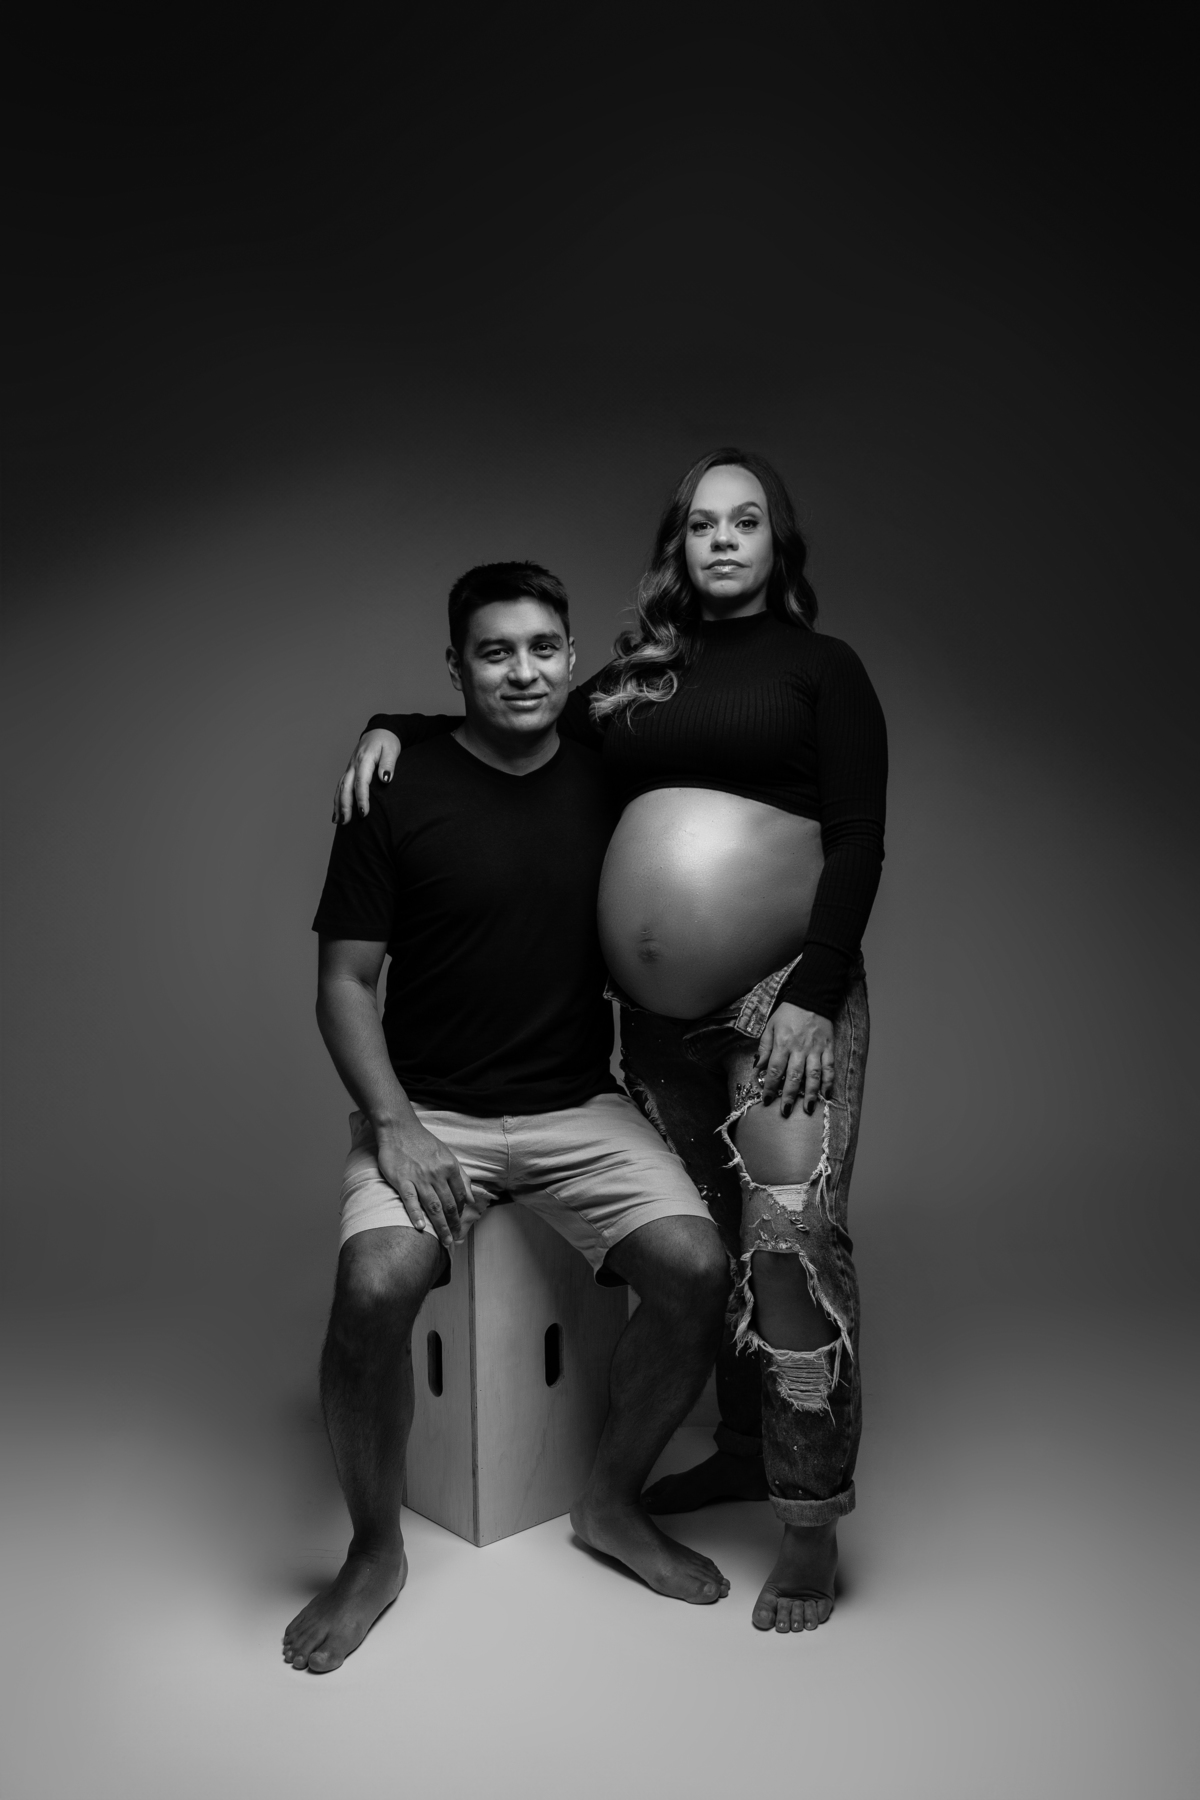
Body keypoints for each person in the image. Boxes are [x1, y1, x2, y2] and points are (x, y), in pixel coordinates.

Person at [338, 450, 887, 1634]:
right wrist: (389, 726)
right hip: (660, 1024)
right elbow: (508, 713)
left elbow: (857, 837)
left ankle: (809, 1521)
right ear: (677, 543)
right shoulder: (642, 678)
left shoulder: (824, 670)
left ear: (777, 541)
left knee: (788, 1250)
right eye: (703, 524)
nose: (723, 540)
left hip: (782, 999)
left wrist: (814, 992)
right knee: (709, 1248)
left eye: (746, 521)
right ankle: (741, 1447)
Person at [284, 561, 730, 1674]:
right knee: (372, 1289)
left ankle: (611, 1503)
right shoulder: (395, 789)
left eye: (541, 649)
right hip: (428, 1110)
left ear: (571, 659)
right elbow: (343, 986)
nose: (521, 672)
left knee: (696, 1270)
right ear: (457, 668)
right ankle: (374, 1552)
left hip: (579, 1106)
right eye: (494, 652)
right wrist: (394, 1126)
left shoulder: (607, 776)